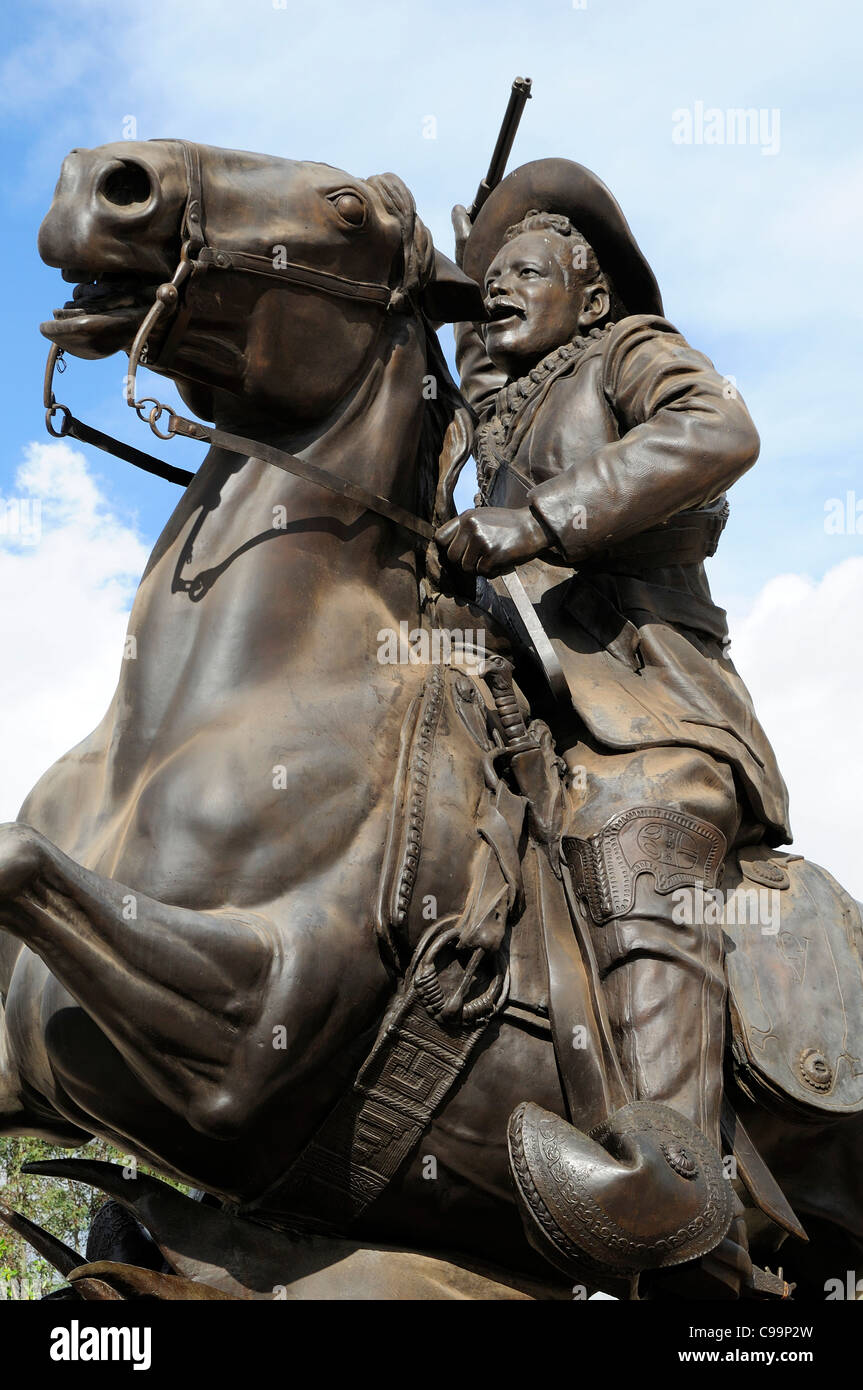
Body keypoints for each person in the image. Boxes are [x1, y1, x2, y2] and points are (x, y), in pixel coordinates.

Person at [436, 159, 791, 1293]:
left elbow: (718, 428)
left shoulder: (626, 351)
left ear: (587, 297)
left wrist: (538, 517)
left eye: (524, 272)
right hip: (508, 714)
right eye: (486, 280)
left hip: (645, 706)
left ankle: (677, 1187)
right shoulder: (476, 412)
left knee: (637, 832)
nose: (499, 290)